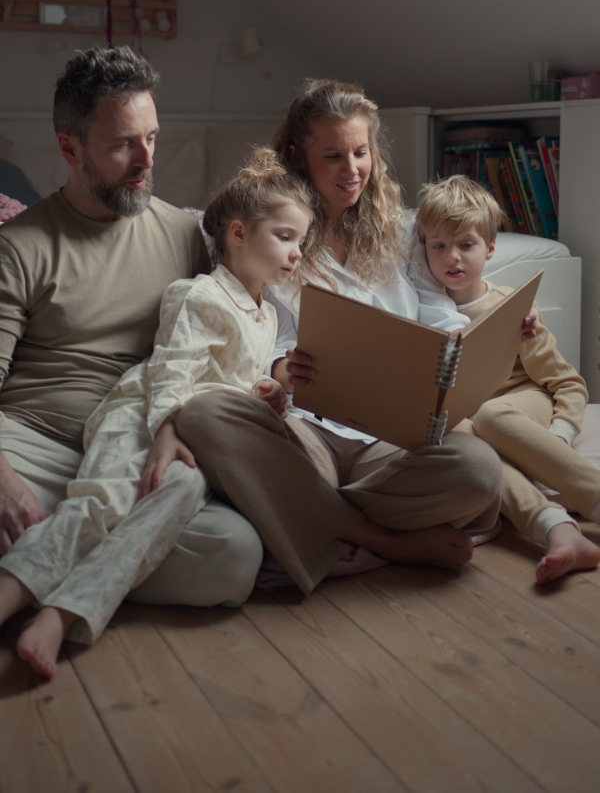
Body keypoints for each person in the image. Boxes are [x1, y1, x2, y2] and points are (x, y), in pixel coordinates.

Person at [174, 79, 506, 595]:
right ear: (297, 156)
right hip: (305, 428)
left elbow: (439, 313)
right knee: (206, 415)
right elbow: (249, 329)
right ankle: (391, 541)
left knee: (479, 471)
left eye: (361, 152)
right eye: (333, 156)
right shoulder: (269, 232)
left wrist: (464, 344)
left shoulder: (402, 232)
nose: (352, 170)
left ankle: (315, 521)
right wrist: (282, 371)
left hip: (389, 439)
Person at [0, 148, 312, 677]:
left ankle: (61, 613)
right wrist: (166, 429)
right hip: (141, 416)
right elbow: (171, 369)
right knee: (103, 503)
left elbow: (228, 377)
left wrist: (270, 387)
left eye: (301, 241)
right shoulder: (199, 294)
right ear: (238, 234)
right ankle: (10, 596)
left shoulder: (263, 315)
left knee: (164, 512)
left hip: (192, 439)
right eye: (284, 237)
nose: (296, 252)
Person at [0, 46, 262, 616]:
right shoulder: (19, 246)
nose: (146, 159)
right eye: (123, 144)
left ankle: (35, 568)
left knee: (233, 555)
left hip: (132, 447)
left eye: (152, 138)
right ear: (69, 148)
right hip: (32, 444)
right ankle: (84, 569)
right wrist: (3, 480)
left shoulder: (188, 235)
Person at [415, 174, 600, 583]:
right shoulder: (421, 311)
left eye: (466, 245)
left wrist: (559, 435)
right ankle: (554, 528)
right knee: (459, 432)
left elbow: (567, 382)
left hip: (522, 398)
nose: (452, 258)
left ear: (490, 248)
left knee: (492, 417)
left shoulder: (514, 309)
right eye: (439, 246)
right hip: (468, 412)